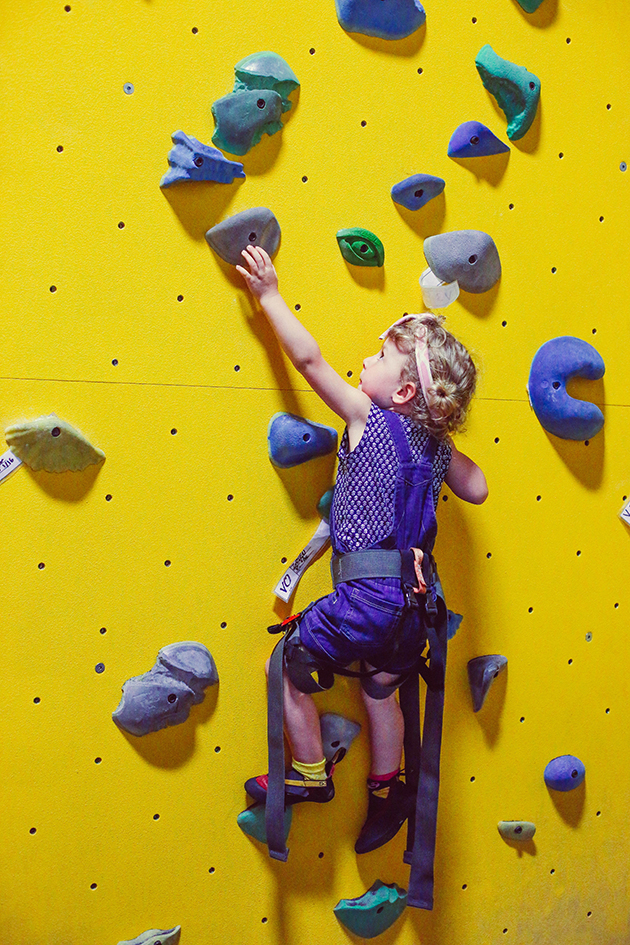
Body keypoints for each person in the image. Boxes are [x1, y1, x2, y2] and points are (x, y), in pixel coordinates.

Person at [237, 243, 488, 855]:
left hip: (367, 599)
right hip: (413, 609)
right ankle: (386, 787)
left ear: (401, 395)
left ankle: (308, 773)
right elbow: (477, 489)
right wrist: (443, 439)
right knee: (380, 689)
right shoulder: (433, 446)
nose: (364, 362)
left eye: (378, 358)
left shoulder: (368, 419)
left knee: (286, 668)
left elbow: (309, 360)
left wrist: (269, 295)